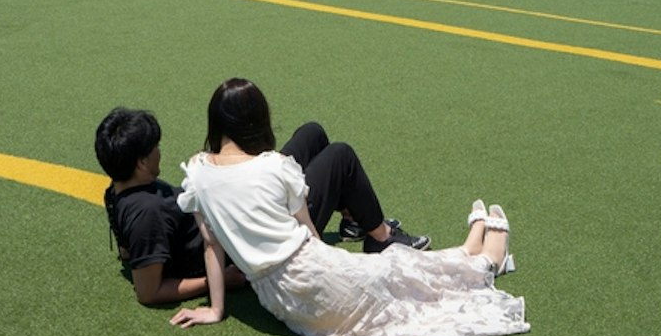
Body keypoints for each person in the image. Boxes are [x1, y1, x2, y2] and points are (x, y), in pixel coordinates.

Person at [169, 79, 527, 336]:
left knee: (393, 272)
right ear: (257, 121)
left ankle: (465, 253)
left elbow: (210, 246)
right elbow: (309, 234)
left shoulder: (198, 173)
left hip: (276, 299)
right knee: (396, 274)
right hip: (312, 277)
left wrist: (216, 310)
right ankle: (484, 262)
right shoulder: (273, 167)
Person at [95, 105, 429, 309]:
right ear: (140, 163)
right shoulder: (147, 214)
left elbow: (129, 253)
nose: (160, 152)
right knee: (340, 156)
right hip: (258, 236)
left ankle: (353, 218)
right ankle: (380, 236)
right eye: (154, 148)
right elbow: (149, 291)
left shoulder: (119, 189)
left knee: (312, 134)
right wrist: (224, 279)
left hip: (236, 213)